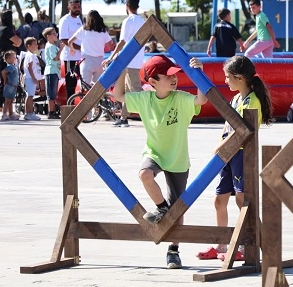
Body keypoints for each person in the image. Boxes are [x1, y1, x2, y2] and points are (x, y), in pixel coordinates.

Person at [113, 55, 208, 269]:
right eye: (168, 76)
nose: (174, 79)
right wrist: (120, 69)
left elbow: (201, 100)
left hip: (177, 158)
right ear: (153, 82)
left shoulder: (181, 98)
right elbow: (117, 94)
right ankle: (162, 208)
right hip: (154, 153)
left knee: (178, 209)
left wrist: (199, 73)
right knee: (144, 174)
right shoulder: (145, 99)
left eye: (175, 75)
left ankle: (173, 250)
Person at [197, 55, 273, 261]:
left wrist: (219, 148)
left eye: (228, 77)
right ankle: (221, 245)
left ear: (240, 78)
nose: (225, 81)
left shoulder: (252, 102)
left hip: (241, 155)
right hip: (228, 156)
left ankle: (251, 245)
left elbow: (242, 131)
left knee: (243, 202)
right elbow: (227, 126)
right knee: (219, 201)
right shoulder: (236, 98)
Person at [103, 0, 146, 127]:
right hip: (137, 59)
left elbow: (122, 42)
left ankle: (153, 112)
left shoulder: (128, 21)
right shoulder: (143, 21)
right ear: (137, 6)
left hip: (128, 60)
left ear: (126, 6)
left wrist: (110, 57)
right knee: (127, 90)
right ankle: (124, 117)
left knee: (135, 89)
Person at [69, 10, 112, 85]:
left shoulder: (83, 29)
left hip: (86, 61)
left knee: (85, 87)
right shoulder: (103, 31)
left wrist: (72, 49)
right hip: (100, 61)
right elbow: (111, 47)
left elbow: (70, 41)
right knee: (97, 88)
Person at [0, 10, 23, 113]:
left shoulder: (0, 28)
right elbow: (18, 41)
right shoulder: (6, 29)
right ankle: (3, 109)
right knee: (7, 84)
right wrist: (16, 43)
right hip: (5, 59)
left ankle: (2, 108)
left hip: (1, 58)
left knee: (4, 83)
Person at [59, 0, 83, 100]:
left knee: (81, 83)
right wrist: (80, 48)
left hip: (80, 57)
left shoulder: (78, 19)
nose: (77, 9)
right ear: (69, 7)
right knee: (70, 84)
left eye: (78, 7)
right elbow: (64, 39)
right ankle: (69, 109)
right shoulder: (65, 20)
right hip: (70, 57)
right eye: (74, 7)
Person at [20, 37, 43, 121]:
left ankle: (28, 113)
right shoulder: (30, 55)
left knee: (30, 95)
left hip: (30, 78)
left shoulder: (32, 55)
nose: (36, 45)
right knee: (30, 96)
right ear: (28, 46)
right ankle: (30, 113)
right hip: (30, 78)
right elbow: (29, 67)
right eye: (34, 44)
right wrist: (34, 78)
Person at [43, 27, 62, 119]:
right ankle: (51, 111)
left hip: (55, 71)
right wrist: (61, 50)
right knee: (51, 93)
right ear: (48, 36)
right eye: (54, 34)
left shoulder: (53, 46)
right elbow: (55, 58)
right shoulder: (50, 46)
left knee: (53, 92)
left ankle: (53, 110)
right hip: (51, 71)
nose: (56, 36)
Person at [0, 51, 20, 120]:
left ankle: (11, 113)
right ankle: (4, 113)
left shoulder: (14, 66)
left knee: (11, 100)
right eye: (13, 57)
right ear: (8, 59)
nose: (15, 58)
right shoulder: (10, 67)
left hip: (13, 86)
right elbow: (3, 72)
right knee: (7, 100)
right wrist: (5, 80)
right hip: (9, 85)